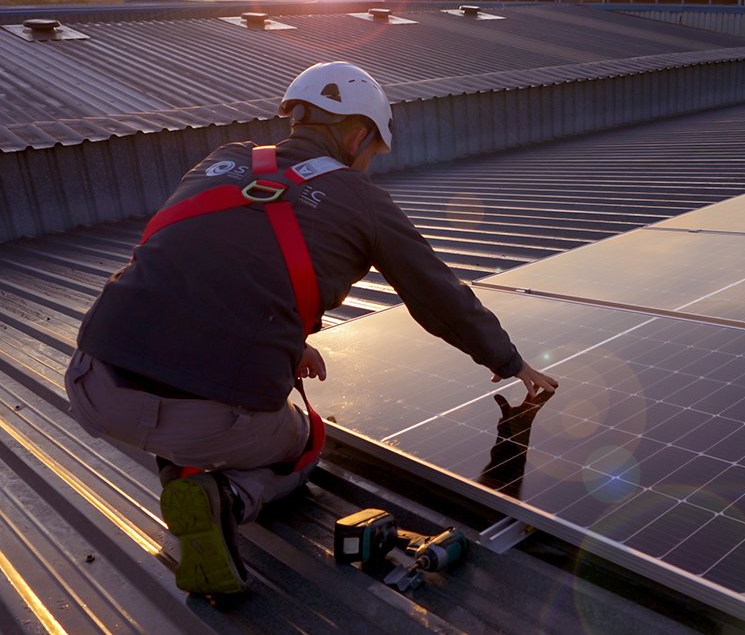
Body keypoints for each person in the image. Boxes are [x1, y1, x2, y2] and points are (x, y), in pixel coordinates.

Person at [64, 61, 558, 598]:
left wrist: (288, 340)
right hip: (202, 417)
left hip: (92, 384)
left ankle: (182, 475)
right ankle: (227, 497)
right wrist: (508, 362)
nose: (369, 166)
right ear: (356, 133)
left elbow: (187, 266)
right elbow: (438, 296)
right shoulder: (361, 199)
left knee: (183, 404)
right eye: (372, 152)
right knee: (304, 440)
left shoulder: (221, 159)